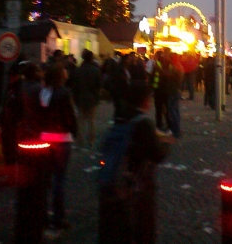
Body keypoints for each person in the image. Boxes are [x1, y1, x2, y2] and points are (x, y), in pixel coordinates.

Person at [98, 80, 172, 244]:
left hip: (116, 179)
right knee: (142, 225)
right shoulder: (143, 123)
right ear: (145, 100)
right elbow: (156, 154)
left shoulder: (120, 116)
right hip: (137, 184)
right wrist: (166, 142)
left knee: (119, 227)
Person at [38, 62, 78, 235]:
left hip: (45, 137)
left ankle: (42, 215)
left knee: (46, 178)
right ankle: (58, 219)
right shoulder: (64, 93)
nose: (66, 71)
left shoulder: (44, 92)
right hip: (61, 139)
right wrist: (74, 132)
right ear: (60, 75)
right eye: (64, 70)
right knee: (59, 180)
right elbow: (70, 117)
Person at [73, 49, 102, 152]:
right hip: (92, 98)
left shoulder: (78, 70)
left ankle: (79, 143)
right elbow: (99, 85)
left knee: (81, 121)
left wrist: (75, 98)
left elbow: (74, 86)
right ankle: (91, 142)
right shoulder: (95, 70)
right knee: (91, 121)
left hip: (81, 97)